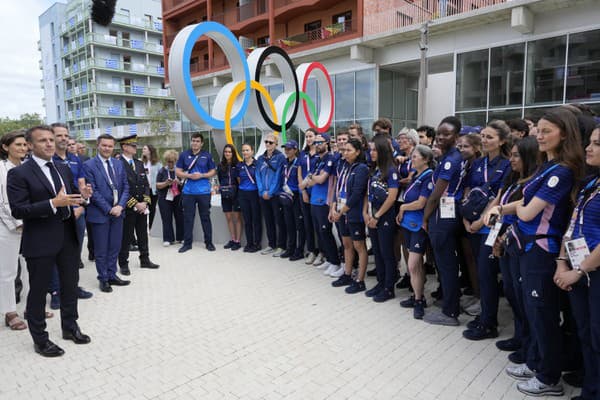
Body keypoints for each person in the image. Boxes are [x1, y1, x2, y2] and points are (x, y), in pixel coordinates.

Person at [494, 108, 584, 397]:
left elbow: (529, 210)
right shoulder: (546, 167)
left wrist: (514, 209)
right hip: (526, 247)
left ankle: (549, 377)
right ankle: (537, 363)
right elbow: (521, 203)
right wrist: (501, 208)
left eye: (547, 131)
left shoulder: (562, 171)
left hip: (542, 250)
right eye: (538, 131)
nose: (540, 136)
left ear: (566, 134)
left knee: (544, 315)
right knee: (533, 312)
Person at [7, 125, 92, 357]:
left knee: (69, 286)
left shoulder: (62, 167)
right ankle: (40, 339)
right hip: (41, 240)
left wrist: (82, 198)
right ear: (31, 145)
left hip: (68, 236)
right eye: (42, 140)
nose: (49, 144)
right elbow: (18, 209)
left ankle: (70, 327)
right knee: (38, 292)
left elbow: (72, 196)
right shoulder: (19, 173)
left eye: (51, 140)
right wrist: (53, 204)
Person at [554, 125, 600, 400]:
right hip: (577, 267)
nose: (588, 148)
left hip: (592, 270)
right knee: (585, 332)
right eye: (590, 142)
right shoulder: (592, 182)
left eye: (597, 143)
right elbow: (572, 224)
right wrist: (562, 262)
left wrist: (579, 271)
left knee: (597, 335)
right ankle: (590, 386)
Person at [484, 136, 539, 363]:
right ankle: (520, 337)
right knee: (511, 291)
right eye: (512, 154)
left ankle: (529, 345)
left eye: (516, 155)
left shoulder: (534, 182)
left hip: (520, 242)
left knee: (523, 297)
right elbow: (500, 207)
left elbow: (524, 215)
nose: (512, 159)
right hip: (505, 241)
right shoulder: (514, 179)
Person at [461, 121, 511, 341]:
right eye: (483, 136)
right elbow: (469, 191)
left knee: (488, 273)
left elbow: (500, 196)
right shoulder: (478, 163)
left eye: (490, 137)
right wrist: (465, 217)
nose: (485, 140)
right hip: (472, 223)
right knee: (481, 273)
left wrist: (481, 222)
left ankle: (489, 323)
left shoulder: (507, 164)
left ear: (502, 140)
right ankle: (485, 315)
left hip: (491, 226)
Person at [422, 116, 465, 326]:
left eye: (446, 134)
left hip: (442, 216)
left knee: (447, 266)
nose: (440, 137)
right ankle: (450, 303)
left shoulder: (451, 160)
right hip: (445, 215)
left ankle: (450, 313)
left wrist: (425, 218)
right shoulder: (449, 156)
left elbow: (435, 195)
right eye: (439, 133)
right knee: (446, 265)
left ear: (456, 137)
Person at [48, 123, 93, 309]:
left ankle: (72, 287)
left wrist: (82, 204)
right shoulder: (48, 160)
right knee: (54, 254)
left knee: (73, 252)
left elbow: (81, 186)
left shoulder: (75, 159)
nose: (64, 138)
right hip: (56, 214)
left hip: (77, 212)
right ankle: (56, 291)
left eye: (66, 135)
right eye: (59, 135)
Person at [83, 134, 131, 293]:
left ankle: (112, 275)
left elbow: (125, 187)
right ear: (98, 145)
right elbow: (93, 191)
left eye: (110, 146)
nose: (107, 148)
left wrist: (120, 206)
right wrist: (109, 208)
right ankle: (103, 278)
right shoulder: (89, 165)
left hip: (118, 213)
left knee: (115, 247)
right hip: (100, 213)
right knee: (101, 249)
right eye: (104, 145)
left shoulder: (118, 164)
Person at [397, 145, 435, 318]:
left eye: (415, 157)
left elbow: (421, 203)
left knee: (413, 264)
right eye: (411, 157)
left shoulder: (428, 176)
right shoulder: (416, 175)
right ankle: (416, 295)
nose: (411, 159)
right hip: (408, 224)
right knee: (415, 265)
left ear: (426, 159)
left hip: (419, 225)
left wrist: (403, 207)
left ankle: (420, 300)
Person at [363, 135, 398, 301]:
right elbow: (368, 194)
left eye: (374, 150)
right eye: (370, 150)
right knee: (377, 251)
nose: (371, 153)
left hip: (384, 217)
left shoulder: (390, 169)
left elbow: (392, 197)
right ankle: (381, 282)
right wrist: (367, 213)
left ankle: (389, 287)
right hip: (373, 216)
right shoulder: (374, 169)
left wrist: (377, 216)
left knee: (386, 252)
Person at [118, 135, 159, 274]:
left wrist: (145, 202)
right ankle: (123, 263)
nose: (136, 147)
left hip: (142, 206)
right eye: (132, 145)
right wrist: (135, 204)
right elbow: (120, 188)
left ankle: (145, 259)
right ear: (124, 147)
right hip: (128, 207)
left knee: (143, 234)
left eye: (136, 145)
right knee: (126, 236)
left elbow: (146, 185)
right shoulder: (118, 164)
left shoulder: (139, 163)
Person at [330, 138, 368, 286]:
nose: (345, 153)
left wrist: (342, 211)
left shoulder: (361, 168)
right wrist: (333, 207)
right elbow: (338, 188)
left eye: (349, 150)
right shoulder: (344, 166)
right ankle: (347, 273)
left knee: (359, 246)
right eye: (344, 150)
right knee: (346, 245)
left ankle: (360, 280)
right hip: (341, 211)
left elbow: (357, 194)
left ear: (358, 152)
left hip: (354, 214)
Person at [0, 130, 28, 331]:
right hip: (7, 227)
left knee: (30, 268)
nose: (22, 148)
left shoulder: (28, 168)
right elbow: (2, 203)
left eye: (25, 145)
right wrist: (17, 223)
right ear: (5, 147)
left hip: (31, 225)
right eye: (18, 144)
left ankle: (31, 307)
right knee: (8, 271)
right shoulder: (1, 170)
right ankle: (9, 312)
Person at [176, 133, 217, 253]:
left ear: (202, 143)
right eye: (193, 140)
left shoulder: (207, 155)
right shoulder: (184, 155)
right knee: (188, 218)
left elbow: (213, 171)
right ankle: (187, 243)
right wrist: (189, 175)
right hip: (188, 192)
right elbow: (178, 171)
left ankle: (209, 242)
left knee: (205, 217)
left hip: (204, 191)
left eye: (197, 141)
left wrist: (202, 175)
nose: (195, 143)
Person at [306, 133, 340, 271]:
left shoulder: (329, 159)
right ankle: (329, 258)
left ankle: (335, 262)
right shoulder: (317, 160)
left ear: (327, 143)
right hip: (314, 199)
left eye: (320, 142)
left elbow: (321, 180)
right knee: (320, 233)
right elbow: (309, 181)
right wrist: (313, 178)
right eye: (315, 143)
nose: (317, 145)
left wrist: (312, 177)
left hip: (323, 201)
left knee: (326, 232)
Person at [256, 133, 287, 256]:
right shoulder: (260, 159)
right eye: (266, 142)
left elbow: (279, 176)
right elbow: (257, 175)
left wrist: (271, 191)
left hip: (275, 195)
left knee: (279, 221)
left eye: (271, 142)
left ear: (276, 144)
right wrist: (262, 191)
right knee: (268, 221)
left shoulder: (280, 158)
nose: (268, 144)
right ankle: (271, 244)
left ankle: (281, 246)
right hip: (263, 195)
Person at [298, 128, 321, 265]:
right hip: (305, 192)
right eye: (306, 137)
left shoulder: (320, 154)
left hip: (317, 193)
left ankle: (322, 252)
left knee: (318, 224)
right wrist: (303, 191)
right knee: (308, 223)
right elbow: (299, 173)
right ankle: (312, 250)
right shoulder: (303, 154)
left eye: (310, 136)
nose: (308, 139)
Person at [280, 140, 304, 260]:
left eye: (289, 149)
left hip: (296, 196)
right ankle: (290, 248)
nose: (287, 151)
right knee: (289, 224)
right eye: (285, 149)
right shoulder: (284, 162)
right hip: (286, 195)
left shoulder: (299, 162)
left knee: (299, 225)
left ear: (295, 150)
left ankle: (299, 250)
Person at [236, 143, 262, 252]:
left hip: (255, 193)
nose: (245, 152)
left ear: (252, 151)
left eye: (247, 150)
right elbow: (238, 179)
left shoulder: (258, 164)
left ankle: (257, 243)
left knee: (256, 219)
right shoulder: (239, 165)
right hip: (243, 194)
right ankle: (249, 243)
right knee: (247, 220)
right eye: (243, 150)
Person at [156, 150, 183, 246]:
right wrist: (166, 183)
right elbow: (157, 185)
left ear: (176, 161)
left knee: (179, 217)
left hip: (177, 197)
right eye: (168, 161)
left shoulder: (179, 171)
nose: (170, 163)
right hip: (164, 197)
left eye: (172, 161)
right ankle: (168, 238)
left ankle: (181, 237)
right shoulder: (162, 171)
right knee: (166, 218)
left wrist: (178, 182)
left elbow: (184, 184)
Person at [217, 144, 242, 250]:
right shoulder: (220, 165)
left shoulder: (238, 165)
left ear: (233, 153)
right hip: (225, 193)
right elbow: (219, 179)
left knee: (237, 218)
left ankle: (238, 241)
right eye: (226, 152)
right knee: (228, 218)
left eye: (230, 152)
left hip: (235, 194)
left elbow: (240, 181)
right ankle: (232, 239)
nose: (227, 153)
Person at [142, 144, 162, 229]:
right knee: (143, 207)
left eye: (145, 149)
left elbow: (161, 176)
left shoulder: (158, 164)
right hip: (144, 190)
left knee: (152, 208)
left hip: (153, 190)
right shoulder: (141, 163)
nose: (143, 150)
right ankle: (142, 227)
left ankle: (151, 227)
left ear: (150, 151)